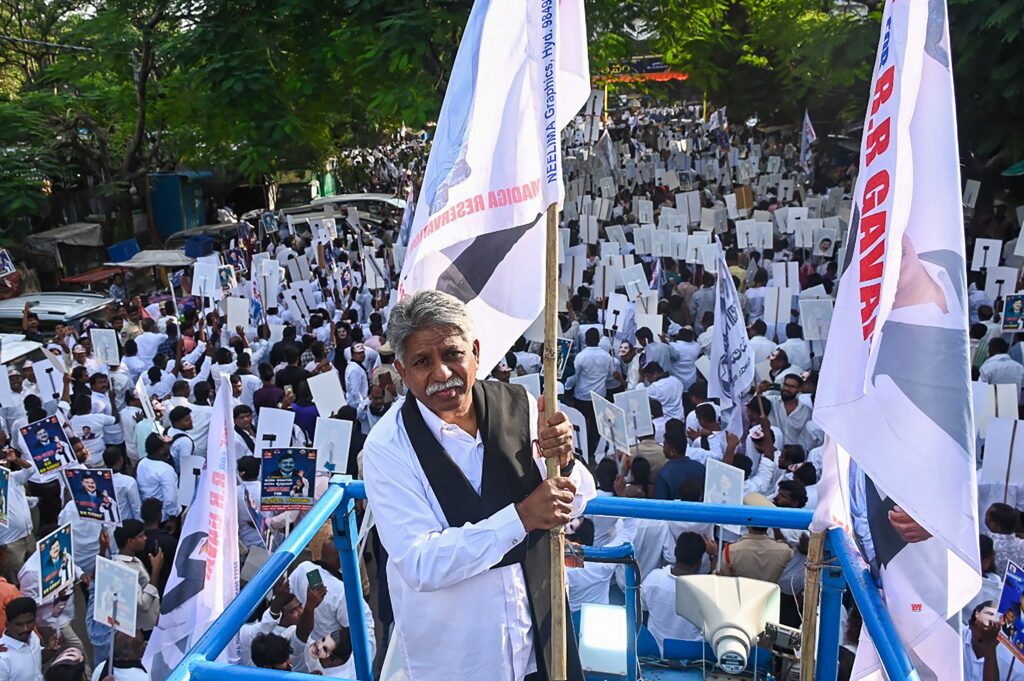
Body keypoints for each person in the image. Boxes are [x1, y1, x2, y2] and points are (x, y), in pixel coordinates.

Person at [363, 290, 595, 681]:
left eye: (452, 354)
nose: (441, 373)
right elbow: (420, 562)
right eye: (422, 361)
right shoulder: (387, 447)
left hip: (541, 639)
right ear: (401, 371)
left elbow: (578, 500)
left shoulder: (519, 405)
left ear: (475, 351)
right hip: (462, 660)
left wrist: (566, 460)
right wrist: (522, 518)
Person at [642, 532, 714, 654]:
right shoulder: (707, 591)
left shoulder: (653, 579)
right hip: (692, 656)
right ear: (700, 561)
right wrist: (714, 555)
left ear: (675, 552)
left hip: (656, 653)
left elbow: (641, 613)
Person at [720, 493, 794, 584]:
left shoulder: (730, 550)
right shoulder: (784, 550)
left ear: (746, 522)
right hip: (770, 593)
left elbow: (723, 579)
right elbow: (789, 549)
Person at [111, 520, 163, 635]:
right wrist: (155, 571)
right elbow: (142, 605)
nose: (145, 538)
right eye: (141, 536)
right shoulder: (122, 570)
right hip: (143, 630)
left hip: (152, 622)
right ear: (130, 541)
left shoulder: (135, 560)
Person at [653, 421, 706, 500]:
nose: (663, 448)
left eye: (665, 445)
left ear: (672, 451)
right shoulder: (701, 468)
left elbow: (661, 503)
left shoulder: (663, 474)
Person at [0, 597, 47, 680]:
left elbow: (36, 658)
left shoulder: (32, 635)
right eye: (19, 624)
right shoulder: (2, 658)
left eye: (29, 622)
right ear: (7, 625)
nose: (25, 629)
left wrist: (51, 650)